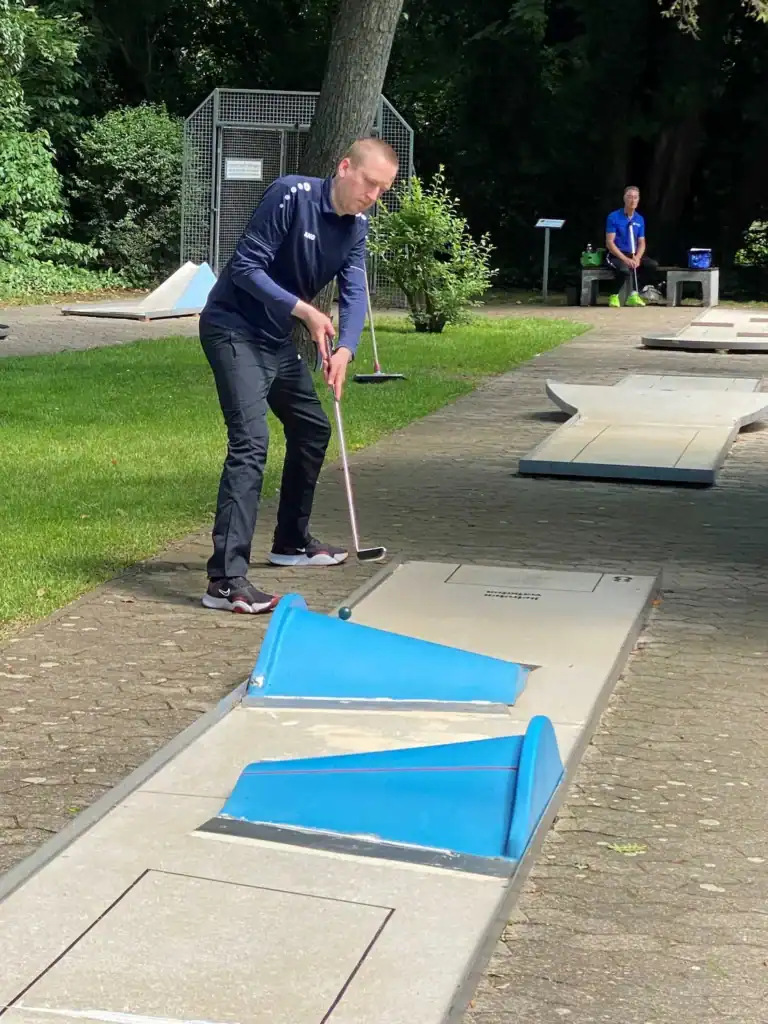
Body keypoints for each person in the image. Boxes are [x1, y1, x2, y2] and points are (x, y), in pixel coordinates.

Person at [197, 137, 399, 614]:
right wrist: (305, 311)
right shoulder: (291, 194)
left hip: (274, 339)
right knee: (251, 443)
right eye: (369, 183)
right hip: (232, 328)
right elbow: (245, 267)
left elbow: (354, 292)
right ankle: (225, 581)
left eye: (382, 190)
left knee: (312, 429)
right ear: (344, 167)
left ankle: (290, 541)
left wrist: (346, 348)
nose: (373, 196)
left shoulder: (357, 228)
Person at [605, 186, 663, 307]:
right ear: (624, 199)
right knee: (624, 270)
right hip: (617, 254)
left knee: (651, 265)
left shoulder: (639, 219)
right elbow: (610, 242)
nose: (632, 200)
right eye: (630, 197)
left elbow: (642, 242)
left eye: (635, 197)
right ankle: (614, 295)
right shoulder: (614, 217)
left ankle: (635, 294)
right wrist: (625, 259)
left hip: (633, 253)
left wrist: (637, 257)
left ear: (638, 199)